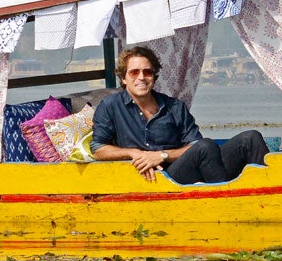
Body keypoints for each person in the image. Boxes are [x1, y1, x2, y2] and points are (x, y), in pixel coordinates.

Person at [91, 45, 268, 185]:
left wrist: (161, 155)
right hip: (159, 179)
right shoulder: (110, 106)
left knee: (251, 138)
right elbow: (98, 149)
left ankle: (271, 193)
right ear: (123, 78)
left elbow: (194, 144)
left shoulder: (174, 107)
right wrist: (135, 153)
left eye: (148, 72)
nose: (141, 77)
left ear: (154, 76)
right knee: (206, 146)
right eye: (134, 72)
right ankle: (227, 202)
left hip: (183, 167)